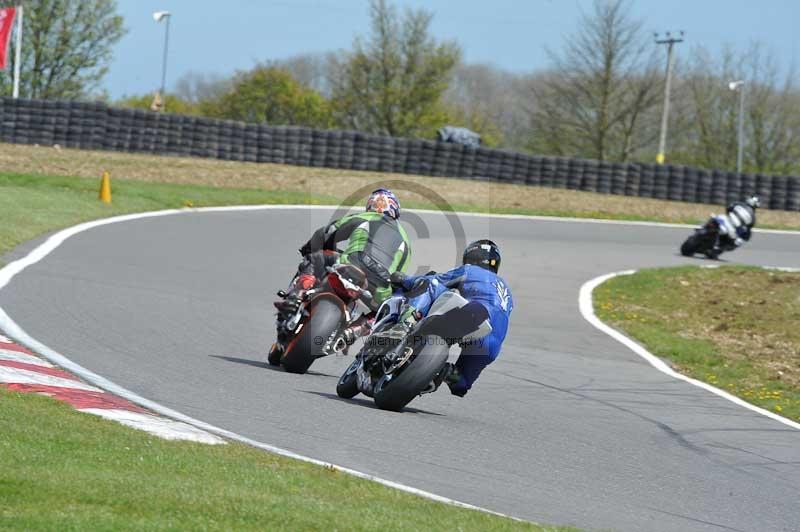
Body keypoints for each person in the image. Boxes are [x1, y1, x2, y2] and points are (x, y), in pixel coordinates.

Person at [272, 189, 412, 355]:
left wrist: (309, 248)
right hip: (380, 286)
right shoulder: (406, 242)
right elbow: (398, 279)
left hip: (352, 265)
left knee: (316, 258)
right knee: (383, 311)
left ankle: (296, 297)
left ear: (370, 205)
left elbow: (328, 232)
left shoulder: (367, 217)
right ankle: (352, 332)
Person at [392, 239, 513, 397]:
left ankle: (406, 323)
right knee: (461, 383)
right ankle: (445, 371)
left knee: (430, 285)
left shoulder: (470, 270)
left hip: (474, 315)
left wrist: (405, 280)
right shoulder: (507, 291)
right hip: (492, 344)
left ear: (470, 257)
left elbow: (434, 281)